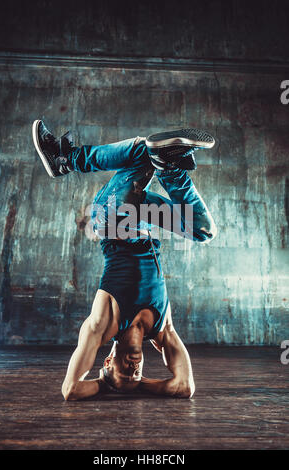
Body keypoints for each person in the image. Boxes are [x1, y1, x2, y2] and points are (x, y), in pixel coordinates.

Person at [32, 120, 217, 399]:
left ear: (107, 362)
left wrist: (109, 384)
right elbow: (184, 387)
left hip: (111, 219)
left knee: (142, 150)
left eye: (125, 373)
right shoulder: (161, 329)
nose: (134, 370)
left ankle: (65, 160)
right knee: (203, 231)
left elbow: (71, 390)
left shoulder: (103, 325)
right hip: (141, 218)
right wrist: (133, 387)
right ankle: (168, 167)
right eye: (138, 374)